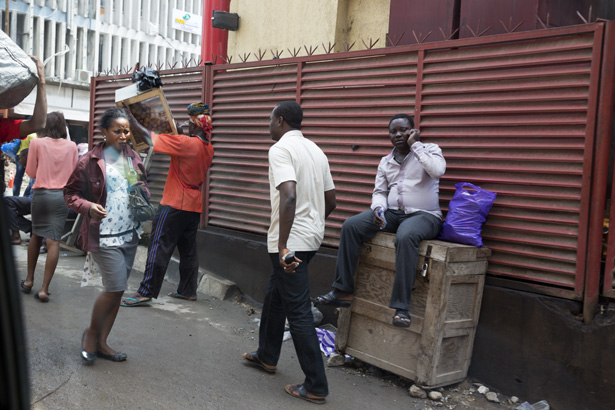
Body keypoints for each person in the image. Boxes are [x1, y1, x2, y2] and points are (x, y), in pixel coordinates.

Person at [242, 101, 336, 405]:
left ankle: (316, 385)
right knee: (275, 295)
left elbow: (290, 194)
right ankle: (267, 355)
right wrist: (314, 222)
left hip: (290, 242)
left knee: (297, 311)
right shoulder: (316, 150)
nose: (268, 125)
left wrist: (283, 245)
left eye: (270, 119)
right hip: (310, 238)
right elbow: (330, 200)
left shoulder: (280, 149)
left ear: (280, 121)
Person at [314, 113, 446, 328]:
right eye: (393, 132)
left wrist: (416, 146)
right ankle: (343, 290)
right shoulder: (386, 162)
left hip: (425, 215)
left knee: (406, 236)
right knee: (351, 226)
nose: (398, 135)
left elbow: (437, 171)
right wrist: (378, 209)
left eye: (403, 130)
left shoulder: (430, 150)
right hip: (393, 213)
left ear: (413, 131)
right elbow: (380, 192)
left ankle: (402, 307)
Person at [64, 107, 150, 364]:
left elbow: (141, 183)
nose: (124, 135)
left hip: (130, 233)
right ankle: (91, 335)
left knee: (118, 290)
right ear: (104, 133)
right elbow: (70, 194)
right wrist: (88, 207)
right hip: (103, 235)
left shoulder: (133, 156)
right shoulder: (89, 161)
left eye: (126, 131)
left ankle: (102, 342)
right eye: (118, 131)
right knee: (115, 287)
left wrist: (142, 193)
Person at [121, 102, 214, 306]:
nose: (187, 127)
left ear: (195, 126)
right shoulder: (208, 149)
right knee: (188, 250)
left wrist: (131, 118)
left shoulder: (185, 143)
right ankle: (188, 290)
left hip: (173, 203)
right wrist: (179, 134)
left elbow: (149, 138)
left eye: (190, 124)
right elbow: (184, 151)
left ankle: (146, 291)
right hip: (193, 206)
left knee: (158, 247)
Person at [21, 112, 78, 302]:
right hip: (61, 196)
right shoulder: (72, 146)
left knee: (36, 236)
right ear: (63, 127)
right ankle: (44, 290)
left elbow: (30, 172)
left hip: (41, 195)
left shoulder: (36, 143)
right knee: (53, 241)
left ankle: (29, 281)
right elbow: (74, 175)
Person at [1, 56, 47, 193]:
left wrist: (42, 82)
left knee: (19, 179)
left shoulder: (2, 126)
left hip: (22, 157)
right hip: (21, 156)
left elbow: (38, 123)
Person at [6, 148, 33, 244]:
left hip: (37, 201)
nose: (19, 160)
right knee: (8, 209)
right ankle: (30, 227)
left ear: (27, 158)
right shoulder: (30, 170)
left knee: (6, 202)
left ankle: (16, 235)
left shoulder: (35, 169)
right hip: (32, 200)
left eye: (21, 158)